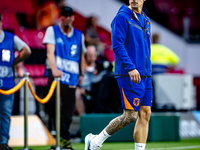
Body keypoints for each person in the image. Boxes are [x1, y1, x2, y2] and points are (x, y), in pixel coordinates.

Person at [84, 0, 152, 150]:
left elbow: (145, 49)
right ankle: (95, 141)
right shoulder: (121, 17)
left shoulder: (146, 19)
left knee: (146, 113)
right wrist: (130, 67)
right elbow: (117, 45)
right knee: (130, 115)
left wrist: (148, 71)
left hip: (145, 74)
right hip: (129, 73)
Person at [43, 6, 86, 150]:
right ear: (61, 17)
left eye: (70, 15)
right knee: (53, 106)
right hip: (56, 75)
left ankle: (65, 138)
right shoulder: (52, 30)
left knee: (68, 110)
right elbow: (50, 52)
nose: (67, 17)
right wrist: (54, 70)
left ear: (73, 17)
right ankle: (60, 138)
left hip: (72, 76)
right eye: (65, 15)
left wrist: (81, 74)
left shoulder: (79, 35)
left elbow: (81, 56)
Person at [0, 13, 31, 150]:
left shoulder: (11, 38)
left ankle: (3, 143)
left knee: (6, 114)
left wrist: (15, 62)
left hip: (7, 84)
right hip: (7, 83)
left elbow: (27, 50)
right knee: (5, 114)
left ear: (1, 22)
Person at [75, 45, 97, 115]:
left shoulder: (100, 67)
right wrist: (79, 89)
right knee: (76, 93)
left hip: (96, 92)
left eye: (92, 55)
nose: (91, 57)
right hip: (83, 92)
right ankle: (83, 117)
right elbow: (75, 84)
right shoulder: (80, 69)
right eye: (89, 55)